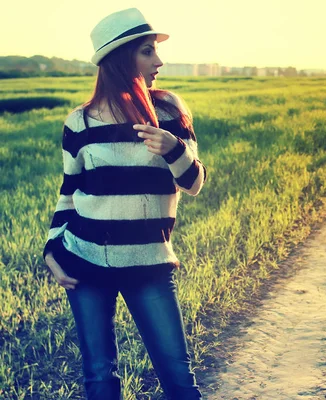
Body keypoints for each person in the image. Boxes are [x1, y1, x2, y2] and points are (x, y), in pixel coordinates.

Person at [42, 8, 206, 400]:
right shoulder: (79, 123)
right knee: (100, 378)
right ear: (120, 59)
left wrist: (174, 149)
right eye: (148, 51)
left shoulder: (168, 112)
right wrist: (51, 247)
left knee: (179, 379)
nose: (159, 62)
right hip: (84, 260)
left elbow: (195, 183)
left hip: (149, 264)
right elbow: (69, 192)